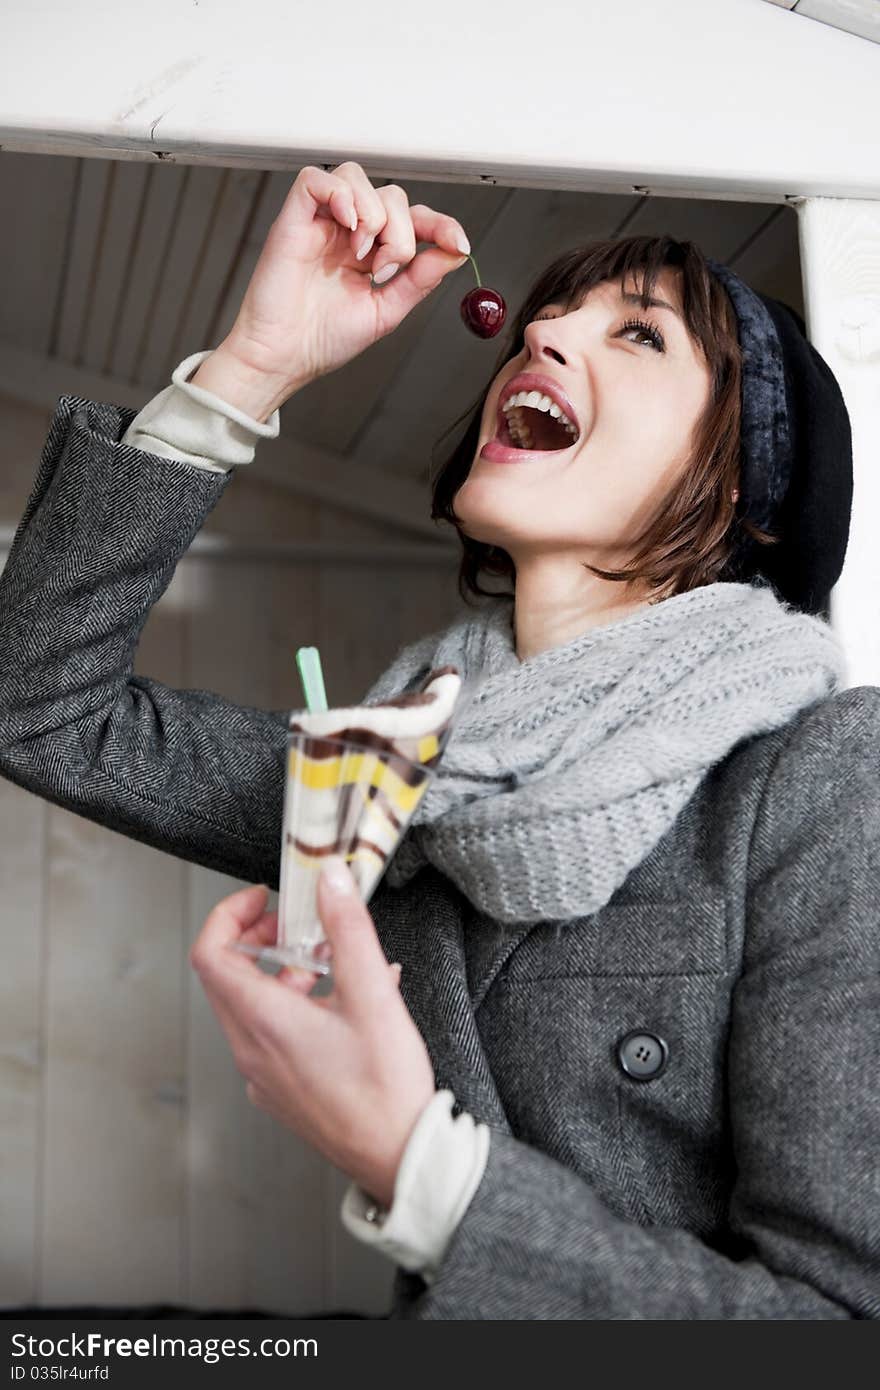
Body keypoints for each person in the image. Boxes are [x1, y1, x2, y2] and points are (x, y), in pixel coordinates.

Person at [0, 162, 877, 1320]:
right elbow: (41, 705)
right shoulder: (394, 769)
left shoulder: (824, 772)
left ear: (743, 489)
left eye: (640, 335)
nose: (545, 331)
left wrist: (419, 1168)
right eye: (548, 314)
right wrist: (253, 365)